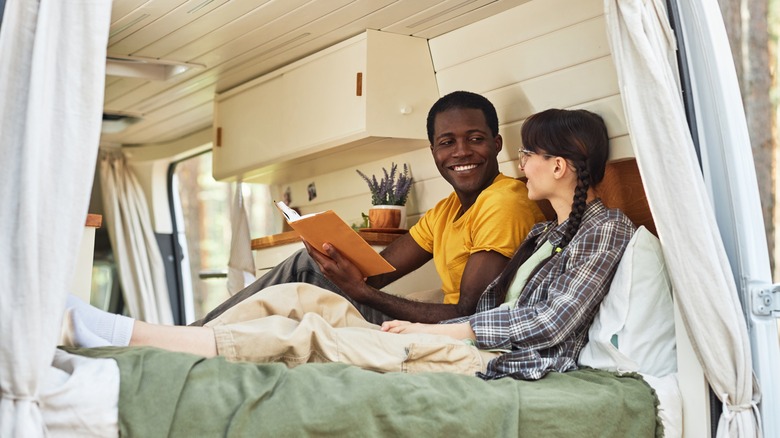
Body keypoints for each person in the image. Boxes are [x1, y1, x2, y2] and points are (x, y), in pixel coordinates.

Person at [64, 108, 635, 380]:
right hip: (468, 338)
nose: (521, 163)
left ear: (558, 165)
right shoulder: (545, 233)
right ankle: (161, 339)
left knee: (310, 329)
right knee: (300, 295)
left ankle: (133, 341)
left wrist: (433, 328)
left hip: (505, 362)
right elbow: (486, 305)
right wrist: (344, 268)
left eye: (529, 154)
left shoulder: (605, 229)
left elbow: (547, 325)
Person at [194, 91, 545, 326]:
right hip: (442, 321)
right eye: (447, 142)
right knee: (308, 268)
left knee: (301, 275)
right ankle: (204, 333)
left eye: (475, 139)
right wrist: (328, 250)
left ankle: (198, 334)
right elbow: (376, 272)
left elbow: (468, 313)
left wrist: (361, 292)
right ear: (434, 152)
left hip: (454, 330)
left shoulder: (504, 202)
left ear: (497, 144)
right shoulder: (446, 210)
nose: (461, 152)